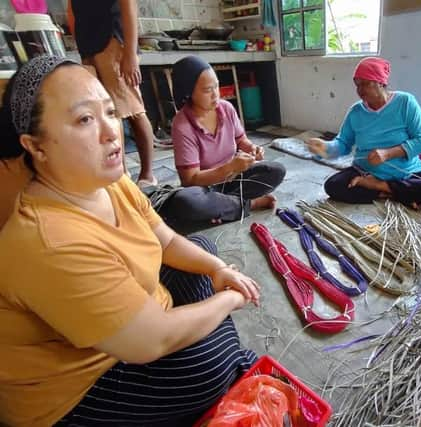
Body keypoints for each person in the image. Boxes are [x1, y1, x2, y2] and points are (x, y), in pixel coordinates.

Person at [0, 56, 260, 426]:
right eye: (85, 120)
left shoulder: (111, 181)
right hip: (76, 390)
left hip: (126, 331)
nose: (111, 132)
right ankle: (217, 363)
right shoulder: (48, 240)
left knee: (202, 252)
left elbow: (165, 240)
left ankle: (210, 349)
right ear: (36, 147)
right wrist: (230, 298)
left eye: (109, 112)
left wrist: (219, 270)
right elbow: (150, 342)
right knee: (208, 366)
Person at [306, 57, 421, 208]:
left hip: (406, 173)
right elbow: (343, 143)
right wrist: (325, 148)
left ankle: (380, 187)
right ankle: (398, 193)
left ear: (381, 82)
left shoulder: (405, 102)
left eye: (365, 84)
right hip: (365, 172)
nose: (360, 90)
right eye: (357, 85)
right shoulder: (356, 112)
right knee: (333, 186)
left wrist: (388, 154)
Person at [168, 55, 286, 225]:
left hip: (234, 179)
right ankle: (250, 204)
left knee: (276, 170)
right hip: (207, 188)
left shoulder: (226, 108)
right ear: (189, 92)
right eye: (208, 90)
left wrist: (253, 149)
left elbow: (241, 140)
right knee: (186, 201)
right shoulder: (182, 125)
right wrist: (229, 167)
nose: (216, 95)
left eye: (216, 86)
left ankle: (224, 208)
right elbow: (189, 179)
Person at [69, 0, 161, 187]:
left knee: (132, 109)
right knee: (103, 113)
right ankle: (122, 174)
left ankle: (148, 174)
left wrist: (130, 54)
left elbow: (129, 5)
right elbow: (72, 12)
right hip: (89, 46)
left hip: (113, 42)